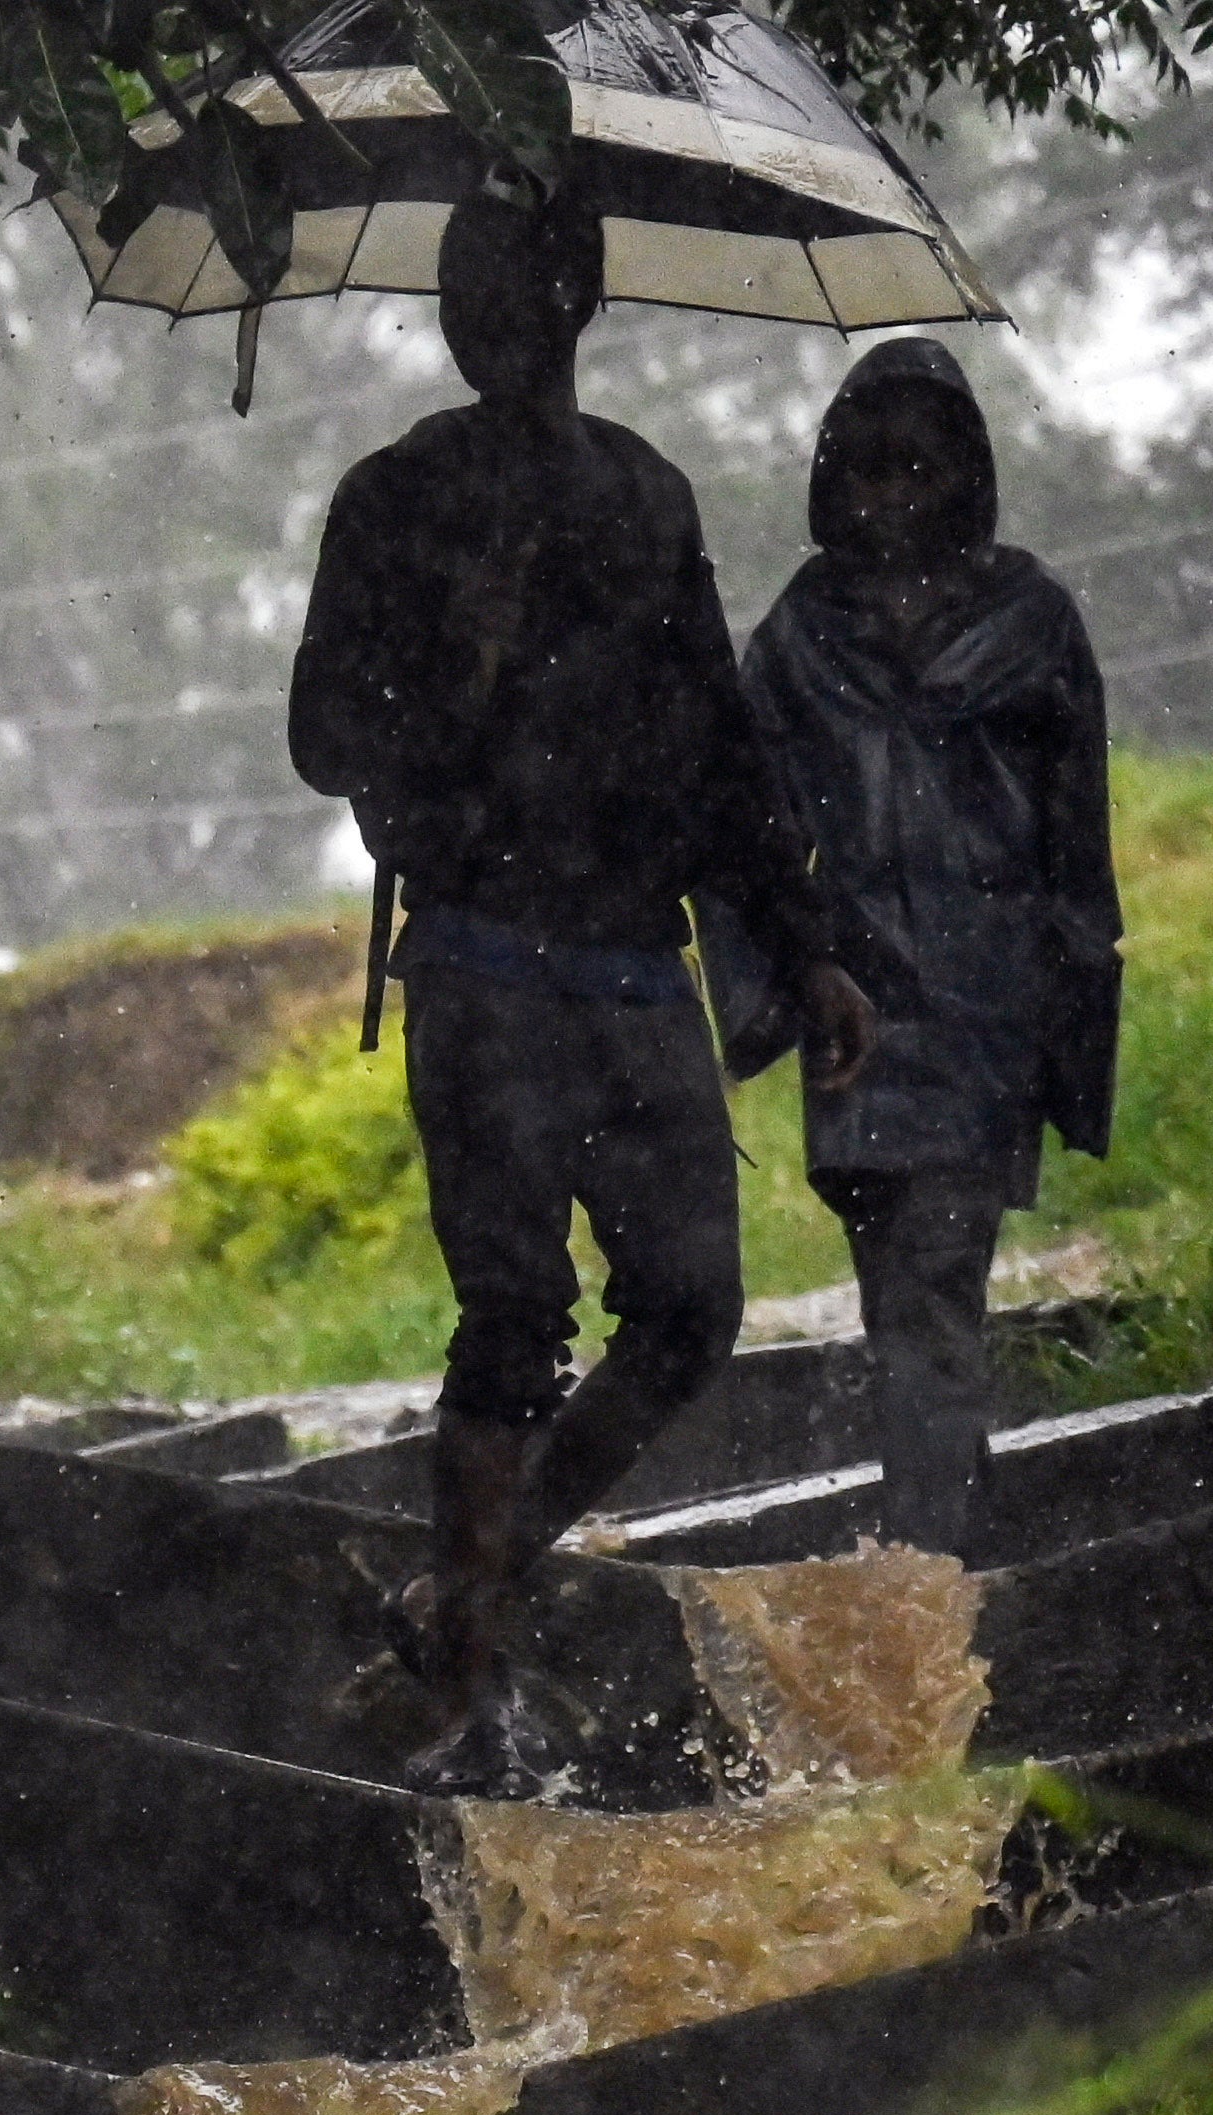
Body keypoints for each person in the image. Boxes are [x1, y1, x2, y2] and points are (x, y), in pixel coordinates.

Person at [290, 182, 877, 1783]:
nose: (516, 315)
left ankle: (466, 1585)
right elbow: (322, 740)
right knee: (510, 1315)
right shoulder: (395, 500)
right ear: (455, 314)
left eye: (542, 282)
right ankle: (463, 1659)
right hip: (480, 961)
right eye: (489, 286)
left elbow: (716, 746)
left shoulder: (642, 493)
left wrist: (803, 941)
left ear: (581, 301)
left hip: (633, 967)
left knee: (689, 1308)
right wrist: (451, 665)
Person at [717, 338, 1121, 1558]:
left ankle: (927, 1568)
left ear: (968, 477)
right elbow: (738, 820)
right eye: (869, 471)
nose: (891, 497)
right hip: (854, 1014)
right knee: (909, 1296)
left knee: (932, 1288)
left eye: (918, 469)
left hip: (986, 1005)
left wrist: (1071, 1017)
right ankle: (952, 1547)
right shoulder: (798, 637)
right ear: (830, 484)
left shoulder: (1032, 620)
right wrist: (786, 981)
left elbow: (1076, 845)